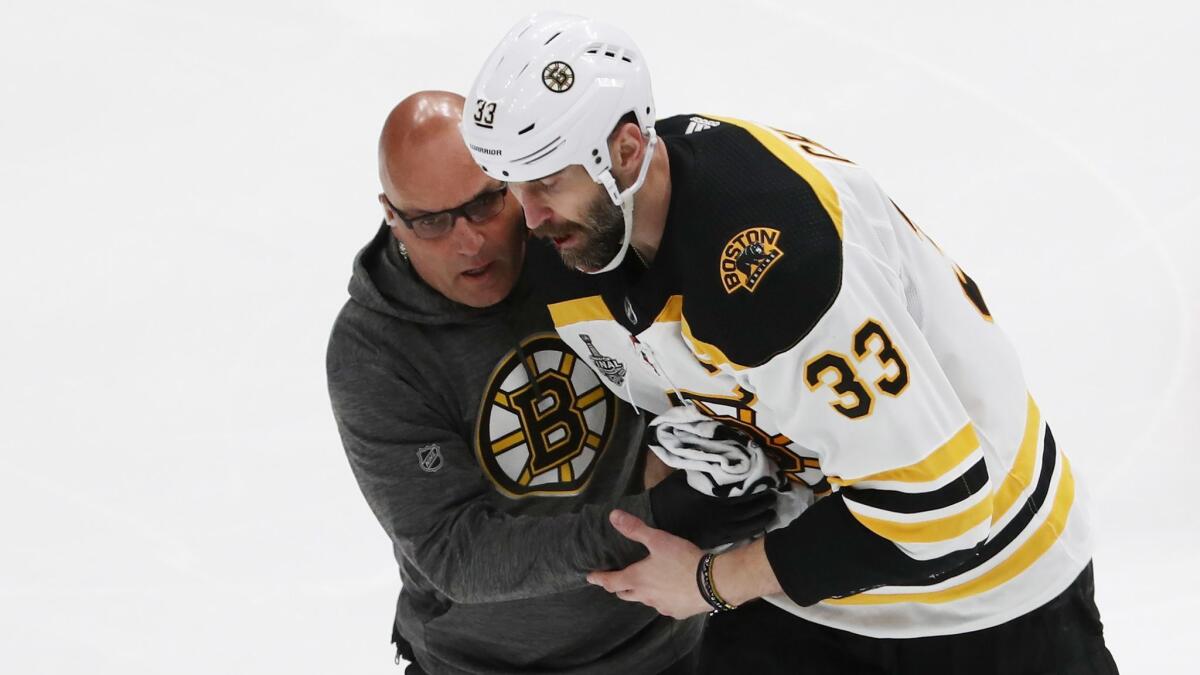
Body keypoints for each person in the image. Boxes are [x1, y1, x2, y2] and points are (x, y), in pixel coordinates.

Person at [460, 13, 1119, 674]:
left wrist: (707, 582)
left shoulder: (770, 264)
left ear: (628, 149)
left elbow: (940, 511)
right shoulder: (582, 241)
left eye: (546, 181)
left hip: (991, 589)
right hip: (811, 592)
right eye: (512, 185)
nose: (530, 216)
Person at [325, 91, 775, 675]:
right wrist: (659, 518)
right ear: (391, 214)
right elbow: (457, 552)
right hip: (483, 665)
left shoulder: (576, 244)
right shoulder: (374, 352)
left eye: (487, 203)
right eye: (432, 222)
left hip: (668, 642)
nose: (469, 241)